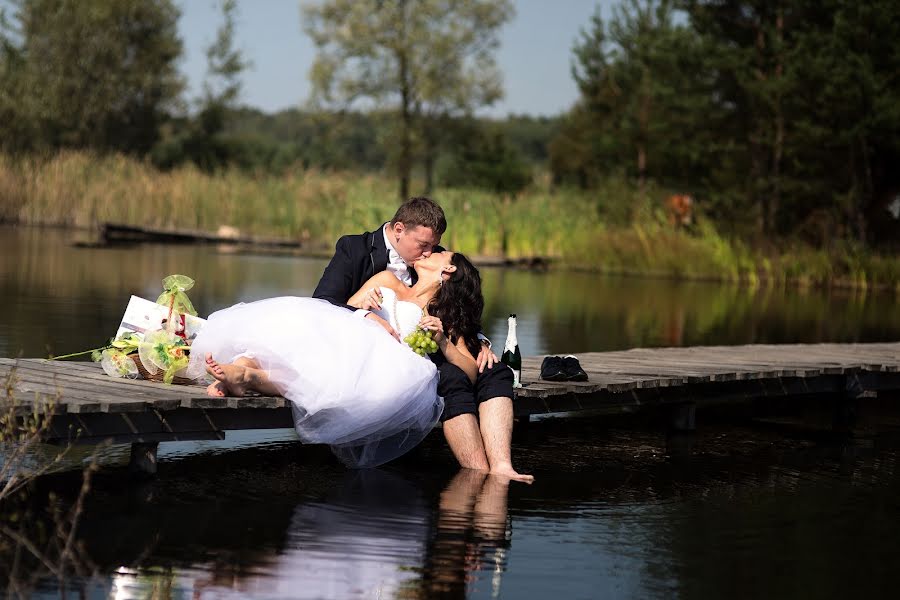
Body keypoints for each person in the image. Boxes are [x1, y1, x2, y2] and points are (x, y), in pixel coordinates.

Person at [188, 251, 482, 469]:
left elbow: (468, 371)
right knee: (297, 326)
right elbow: (345, 307)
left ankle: (246, 376)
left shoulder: (440, 315)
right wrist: (364, 306)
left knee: (326, 374)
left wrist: (443, 341)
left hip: (382, 360)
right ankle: (243, 369)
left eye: (439, 252)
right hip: (350, 332)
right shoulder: (388, 279)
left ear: (448, 268)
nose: (429, 252)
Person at [313, 197, 532, 482]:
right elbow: (323, 304)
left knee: (494, 370)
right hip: (375, 351)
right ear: (400, 229)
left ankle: (501, 466)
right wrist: (362, 313)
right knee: (450, 379)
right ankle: (478, 473)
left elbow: (457, 308)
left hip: (431, 346)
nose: (430, 252)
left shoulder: (430, 258)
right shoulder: (356, 249)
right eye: (425, 246)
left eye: (434, 247)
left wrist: (480, 342)